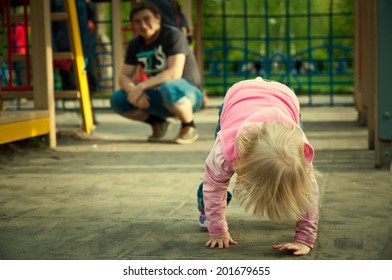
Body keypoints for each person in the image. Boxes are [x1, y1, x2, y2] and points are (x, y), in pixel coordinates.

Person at [196, 77, 319, 256]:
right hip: (238, 96)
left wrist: (305, 239)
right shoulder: (224, 151)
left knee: (297, 186)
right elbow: (213, 186)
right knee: (214, 176)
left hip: (284, 98)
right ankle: (205, 210)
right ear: (243, 170)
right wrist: (218, 231)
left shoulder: (299, 156)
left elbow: (310, 196)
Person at [111, 0, 203, 144]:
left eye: (147, 19)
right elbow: (123, 76)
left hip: (189, 94)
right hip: (161, 95)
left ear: (158, 18)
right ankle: (158, 123)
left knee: (169, 87)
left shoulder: (173, 35)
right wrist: (133, 90)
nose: (142, 25)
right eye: (137, 21)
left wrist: (141, 87)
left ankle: (188, 126)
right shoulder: (135, 43)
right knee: (118, 99)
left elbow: (174, 73)